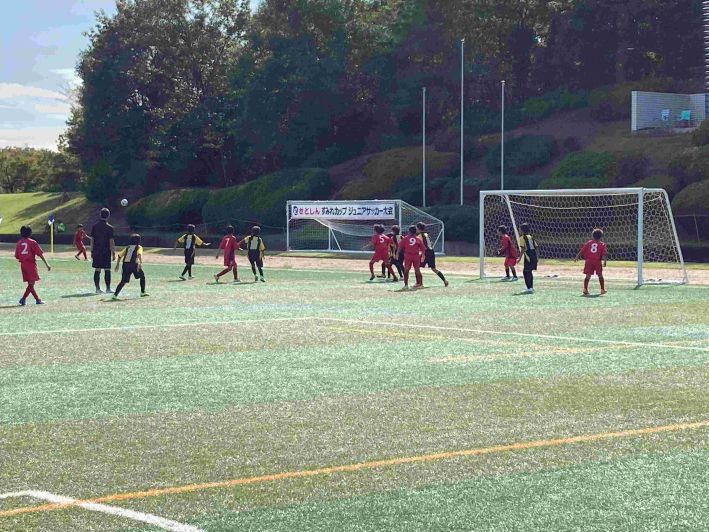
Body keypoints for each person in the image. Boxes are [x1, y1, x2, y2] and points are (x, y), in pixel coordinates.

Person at [15, 225, 51, 305]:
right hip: (30, 264)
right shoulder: (32, 242)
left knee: (30, 283)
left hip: (23, 265)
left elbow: (17, 256)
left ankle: (37, 299)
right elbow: (40, 254)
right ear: (30, 233)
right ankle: (24, 299)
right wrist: (47, 264)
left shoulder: (19, 243)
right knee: (31, 283)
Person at [113, 234, 148, 299]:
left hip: (125, 265)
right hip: (134, 265)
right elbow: (139, 254)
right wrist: (140, 263)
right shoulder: (139, 247)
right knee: (142, 276)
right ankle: (142, 292)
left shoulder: (128, 247)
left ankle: (115, 295)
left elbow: (119, 256)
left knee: (123, 281)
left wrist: (117, 265)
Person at [575, 228, 608, 296]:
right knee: (600, 275)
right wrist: (605, 262)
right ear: (601, 236)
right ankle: (602, 289)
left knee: (588, 275)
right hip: (597, 261)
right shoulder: (602, 244)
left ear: (592, 236)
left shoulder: (589, 242)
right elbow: (604, 254)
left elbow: (582, 250)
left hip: (589, 261)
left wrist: (577, 257)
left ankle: (585, 289)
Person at [90, 208, 116, 293]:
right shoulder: (110, 228)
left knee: (97, 269)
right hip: (106, 252)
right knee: (107, 269)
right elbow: (111, 241)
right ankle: (108, 288)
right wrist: (113, 252)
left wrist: (91, 250)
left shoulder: (94, 226)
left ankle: (97, 289)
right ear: (108, 216)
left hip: (96, 251)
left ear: (100, 215)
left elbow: (92, 239)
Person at [416, 222, 448, 287]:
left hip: (426, 252)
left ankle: (419, 283)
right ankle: (445, 280)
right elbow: (430, 242)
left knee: (417, 267)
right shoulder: (426, 234)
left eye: (416, 228)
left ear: (418, 228)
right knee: (433, 269)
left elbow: (419, 245)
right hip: (431, 251)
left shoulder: (419, 236)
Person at [398, 225, 426, 289]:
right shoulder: (418, 239)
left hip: (408, 256)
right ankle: (421, 284)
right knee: (417, 270)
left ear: (409, 231)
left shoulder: (405, 238)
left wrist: (397, 254)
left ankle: (406, 285)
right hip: (416, 256)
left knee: (406, 270)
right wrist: (423, 255)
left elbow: (400, 247)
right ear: (415, 231)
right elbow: (423, 248)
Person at [518, 223, 538, 294]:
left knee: (526, 271)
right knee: (529, 271)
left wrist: (519, 258)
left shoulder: (522, 238)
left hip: (528, 256)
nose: (519, 230)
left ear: (522, 230)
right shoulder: (531, 237)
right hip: (534, 255)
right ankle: (530, 287)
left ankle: (529, 288)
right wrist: (537, 256)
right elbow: (536, 247)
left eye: (519, 229)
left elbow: (523, 249)